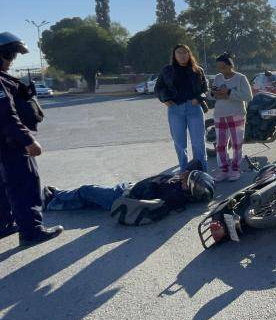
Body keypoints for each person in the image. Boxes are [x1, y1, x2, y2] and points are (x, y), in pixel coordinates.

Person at [0, 32, 63, 246]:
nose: (12, 61)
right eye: (10, 56)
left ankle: (4, 224)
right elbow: (6, 115)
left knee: (3, 185)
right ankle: (32, 232)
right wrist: (28, 140)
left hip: (4, 144)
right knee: (24, 185)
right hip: (11, 144)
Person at [43, 162, 214, 215]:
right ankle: (53, 203)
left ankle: (56, 195)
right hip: (128, 188)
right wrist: (193, 173)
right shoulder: (180, 189)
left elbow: (150, 196)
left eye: (188, 177)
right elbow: (196, 163)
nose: (184, 174)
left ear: (189, 188)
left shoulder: (173, 194)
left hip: (122, 195)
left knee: (87, 190)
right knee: (89, 202)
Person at [155, 44, 209, 173]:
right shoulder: (167, 70)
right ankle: (184, 173)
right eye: (179, 52)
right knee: (180, 144)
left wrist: (199, 98)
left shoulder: (198, 70)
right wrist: (166, 100)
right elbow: (158, 88)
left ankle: (201, 173)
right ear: (174, 55)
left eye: (185, 52)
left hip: (194, 109)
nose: (182, 55)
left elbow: (205, 89)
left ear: (189, 54)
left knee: (198, 143)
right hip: (175, 109)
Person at [210, 52, 253, 182]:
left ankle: (235, 169)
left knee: (236, 144)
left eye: (223, 67)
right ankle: (223, 170)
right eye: (219, 67)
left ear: (230, 65)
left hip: (236, 114)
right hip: (220, 114)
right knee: (220, 144)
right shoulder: (218, 77)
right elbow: (210, 94)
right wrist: (213, 93)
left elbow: (248, 96)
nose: (221, 70)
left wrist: (229, 92)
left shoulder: (241, 78)